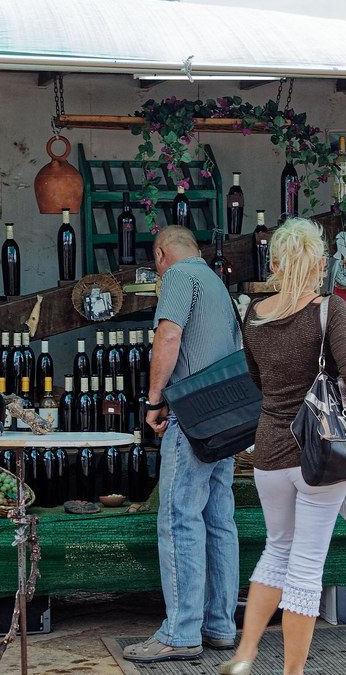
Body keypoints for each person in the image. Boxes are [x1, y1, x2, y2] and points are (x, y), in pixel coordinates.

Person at [219, 218, 346, 675]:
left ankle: (246, 654)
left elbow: (256, 380)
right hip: (319, 454)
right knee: (306, 568)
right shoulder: (329, 309)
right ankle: (293, 673)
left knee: (276, 549)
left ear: (275, 264)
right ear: (320, 264)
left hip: (268, 450)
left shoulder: (254, 315)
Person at [123, 226, 241, 663]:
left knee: (177, 518)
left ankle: (180, 632)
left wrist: (154, 401)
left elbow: (168, 336)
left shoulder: (177, 277)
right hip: (226, 418)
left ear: (160, 255)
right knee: (218, 520)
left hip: (191, 417)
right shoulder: (216, 283)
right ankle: (219, 626)